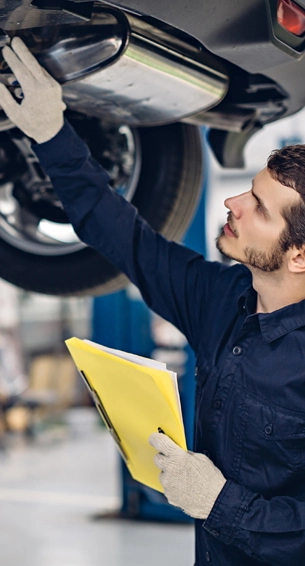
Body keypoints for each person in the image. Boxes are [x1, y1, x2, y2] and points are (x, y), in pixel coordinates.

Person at [1, 37, 305, 566]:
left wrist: (221, 503)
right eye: (246, 189)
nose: (233, 202)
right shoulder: (223, 299)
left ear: (298, 255)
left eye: (257, 206)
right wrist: (52, 135)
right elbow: (125, 236)